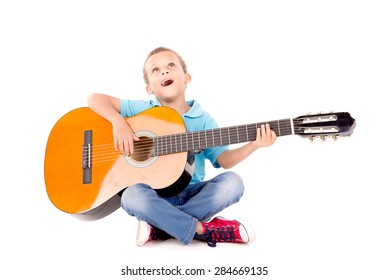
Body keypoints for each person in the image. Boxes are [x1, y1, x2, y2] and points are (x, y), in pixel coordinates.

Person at [87, 47, 276, 247]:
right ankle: (203, 230)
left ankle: (160, 226)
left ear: (186, 77)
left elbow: (224, 160)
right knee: (131, 195)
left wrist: (254, 145)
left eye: (171, 65)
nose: (164, 71)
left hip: (195, 195)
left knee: (233, 183)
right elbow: (95, 98)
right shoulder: (144, 110)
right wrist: (118, 123)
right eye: (155, 70)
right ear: (149, 88)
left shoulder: (203, 120)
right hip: (156, 197)